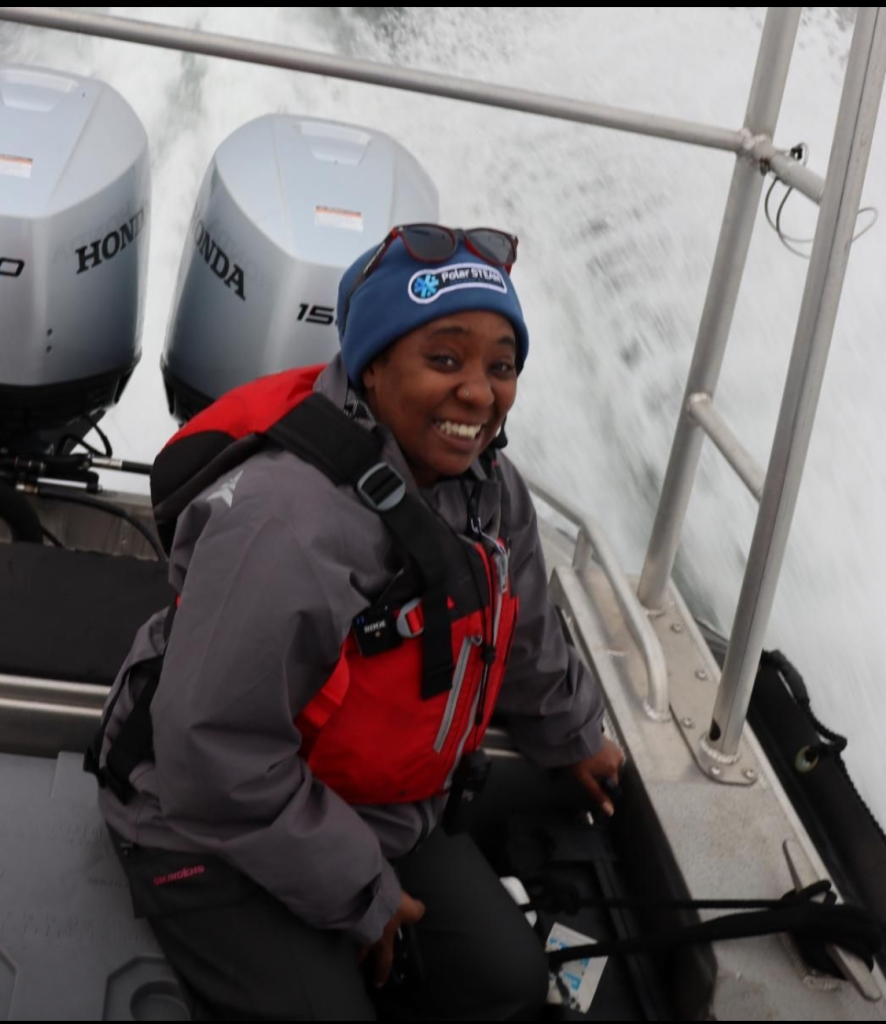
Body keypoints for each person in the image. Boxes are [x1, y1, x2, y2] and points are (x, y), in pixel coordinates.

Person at [91, 224, 624, 1021]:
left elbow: (523, 631)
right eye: (444, 359)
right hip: (198, 826)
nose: (479, 394)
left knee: (502, 983)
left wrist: (573, 733)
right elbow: (213, 759)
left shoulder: (488, 487)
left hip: (372, 805)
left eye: (501, 366)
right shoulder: (286, 525)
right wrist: (364, 894)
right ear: (371, 364)